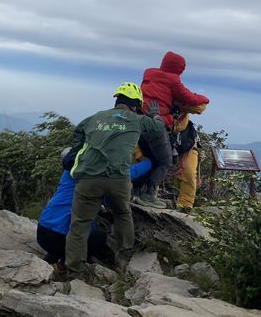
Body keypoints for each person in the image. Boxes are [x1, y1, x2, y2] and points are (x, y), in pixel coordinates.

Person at [62, 82, 165, 279]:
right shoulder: (137, 119)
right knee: (122, 214)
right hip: (118, 178)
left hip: (88, 178)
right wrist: (154, 115)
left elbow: (78, 131)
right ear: (136, 104)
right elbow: (158, 127)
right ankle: (124, 261)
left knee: (80, 224)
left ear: (117, 100)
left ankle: (74, 271)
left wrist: (78, 150)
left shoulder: (94, 117)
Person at [37, 148, 152, 268]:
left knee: (74, 228)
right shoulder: (94, 173)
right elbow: (129, 173)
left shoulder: (68, 175)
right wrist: (154, 161)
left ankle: (52, 258)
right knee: (98, 238)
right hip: (59, 236)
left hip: (42, 231)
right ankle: (75, 267)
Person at [135, 51, 209, 208]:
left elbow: (198, 107)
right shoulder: (174, 83)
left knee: (187, 172)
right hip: (163, 130)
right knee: (161, 163)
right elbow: (200, 105)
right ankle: (149, 196)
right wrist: (201, 99)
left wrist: (180, 105)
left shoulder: (149, 75)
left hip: (177, 136)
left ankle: (183, 206)